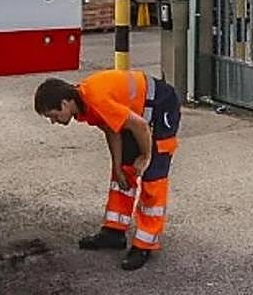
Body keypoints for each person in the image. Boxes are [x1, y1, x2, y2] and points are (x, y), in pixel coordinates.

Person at [34, 70, 180, 271]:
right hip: (138, 114)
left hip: (161, 105)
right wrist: (117, 166)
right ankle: (114, 232)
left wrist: (146, 156)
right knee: (124, 171)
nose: (54, 121)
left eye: (53, 115)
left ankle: (144, 245)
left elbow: (140, 126)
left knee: (153, 178)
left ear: (65, 103)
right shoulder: (85, 104)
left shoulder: (96, 100)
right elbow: (112, 129)